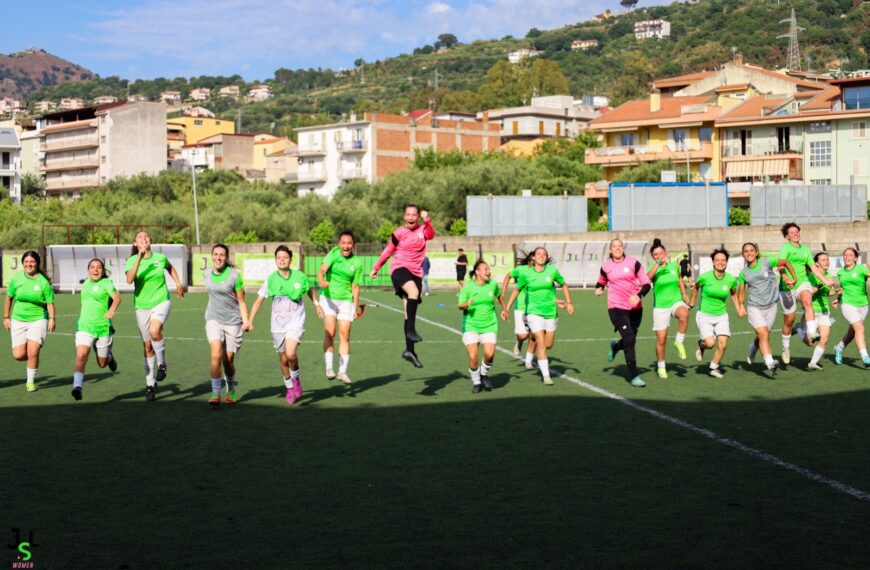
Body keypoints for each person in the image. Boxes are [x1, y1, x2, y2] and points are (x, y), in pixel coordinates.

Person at [247, 245, 317, 405]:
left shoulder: (299, 276)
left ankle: (296, 379)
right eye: (279, 258)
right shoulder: (271, 279)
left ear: (290, 259)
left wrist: (317, 305)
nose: (282, 260)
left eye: (285, 257)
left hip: (296, 321)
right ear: (275, 260)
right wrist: (250, 320)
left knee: (291, 354)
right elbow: (258, 301)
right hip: (277, 325)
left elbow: (309, 290)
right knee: (284, 359)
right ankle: (290, 387)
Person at [370, 204, 435, 368]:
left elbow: (431, 234)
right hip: (399, 268)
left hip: (416, 272)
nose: (411, 217)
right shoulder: (398, 233)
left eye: (414, 214)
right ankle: (412, 332)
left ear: (418, 217)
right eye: (408, 214)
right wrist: (376, 267)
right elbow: (387, 251)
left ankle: (409, 351)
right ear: (404, 217)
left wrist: (428, 220)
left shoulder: (423, 230)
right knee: (413, 291)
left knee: (408, 311)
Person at [125, 231, 185, 402]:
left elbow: (170, 268)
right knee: (147, 347)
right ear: (135, 243)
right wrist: (139, 258)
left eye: (146, 237)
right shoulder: (131, 260)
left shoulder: (160, 257)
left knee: (155, 330)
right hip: (141, 306)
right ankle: (150, 385)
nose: (144, 239)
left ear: (150, 240)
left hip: (161, 301)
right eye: (140, 238)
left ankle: (162, 364)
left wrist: (178, 284)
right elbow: (130, 280)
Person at [504, 247, 574, 385]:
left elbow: (564, 285)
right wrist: (506, 308)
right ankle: (546, 376)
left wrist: (568, 302)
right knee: (541, 344)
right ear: (534, 258)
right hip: (533, 312)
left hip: (551, 312)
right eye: (538, 254)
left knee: (548, 345)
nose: (541, 255)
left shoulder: (552, 271)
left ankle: (533, 341)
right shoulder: (526, 274)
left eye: (544, 254)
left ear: (546, 257)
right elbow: (517, 291)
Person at [596, 239, 651, 388]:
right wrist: (599, 288)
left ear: (623, 248)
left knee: (629, 340)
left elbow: (646, 284)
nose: (617, 248)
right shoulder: (606, 266)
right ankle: (634, 376)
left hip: (635, 308)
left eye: (619, 246)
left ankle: (616, 347)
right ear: (610, 250)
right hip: (616, 307)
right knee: (630, 338)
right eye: (614, 246)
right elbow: (601, 280)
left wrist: (638, 296)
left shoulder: (633, 263)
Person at [777, 223, 833, 364]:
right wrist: (786, 278)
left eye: (797, 231)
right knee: (789, 321)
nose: (795, 233)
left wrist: (824, 280)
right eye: (792, 232)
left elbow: (813, 267)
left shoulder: (806, 250)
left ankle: (812, 332)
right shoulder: (786, 248)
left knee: (808, 301)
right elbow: (780, 265)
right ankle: (785, 347)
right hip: (787, 287)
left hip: (802, 283)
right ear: (787, 236)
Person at [737, 242, 795, 377]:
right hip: (754, 307)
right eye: (746, 251)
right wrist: (740, 305)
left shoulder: (766, 262)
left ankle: (752, 349)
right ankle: (770, 363)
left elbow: (785, 262)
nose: (749, 253)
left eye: (752, 250)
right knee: (763, 334)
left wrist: (793, 278)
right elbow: (741, 291)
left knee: (763, 334)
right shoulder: (743, 273)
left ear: (756, 252)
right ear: (743, 254)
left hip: (771, 306)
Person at [4, 251, 55, 392]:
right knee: (19, 355)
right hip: (18, 319)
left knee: (33, 351)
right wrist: (6, 317)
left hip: (38, 319)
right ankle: (33, 353)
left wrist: (51, 319)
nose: (29, 264)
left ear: (37, 263)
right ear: (23, 264)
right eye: (26, 262)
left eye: (32, 261)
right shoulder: (17, 279)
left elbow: (50, 303)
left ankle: (30, 381)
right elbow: (8, 298)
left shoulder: (43, 282)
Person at [204, 244, 248, 406]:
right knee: (215, 355)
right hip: (213, 319)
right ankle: (215, 393)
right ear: (212, 256)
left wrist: (247, 320)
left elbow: (241, 301)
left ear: (226, 257)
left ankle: (230, 388)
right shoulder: (206, 274)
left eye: (222, 255)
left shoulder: (235, 276)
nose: (218, 257)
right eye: (215, 254)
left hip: (233, 322)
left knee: (227, 361)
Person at [317, 231, 363, 385]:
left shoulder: (357, 263)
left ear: (353, 244)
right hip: (328, 299)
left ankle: (342, 372)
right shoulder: (334, 253)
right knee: (330, 333)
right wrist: (322, 282)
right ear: (339, 244)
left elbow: (355, 286)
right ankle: (329, 368)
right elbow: (322, 270)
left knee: (345, 336)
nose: (346, 246)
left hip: (346, 302)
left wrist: (355, 307)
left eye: (349, 243)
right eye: (343, 242)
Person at [71, 258, 121, 400]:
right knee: (81, 356)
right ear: (88, 271)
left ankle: (109, 358)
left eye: (99, 267)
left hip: (103, 327)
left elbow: (117, 298)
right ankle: (77, 386)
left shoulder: (107, 283)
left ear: (103, 271)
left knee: (102, 363)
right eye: (92, 267)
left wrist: (111, 310)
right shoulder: (86, 283)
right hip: (85, 326)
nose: (95, 269)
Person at [690, 248, 744, 378]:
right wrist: (692, 302)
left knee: (723, 343)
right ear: (713, 262)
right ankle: (701, 345)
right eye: (717, 260)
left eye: (723, 260)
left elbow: (733, 294)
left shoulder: (731, 280)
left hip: (721, 316)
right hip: (704, 315)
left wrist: (738, 308)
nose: (720, 262)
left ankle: (713, 367)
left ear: (726, 262)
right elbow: (696, 287)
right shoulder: (705, 277)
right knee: (710, 343)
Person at [459, 260, 507, 393]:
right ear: (477, 272)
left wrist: (505, 309)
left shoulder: (492, 285)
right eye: (485, 269)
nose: (488, 271)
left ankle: (483, 374)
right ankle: (476, 382)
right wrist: (466, 304)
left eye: (489, 269)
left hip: (489, 325)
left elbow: (500, 296)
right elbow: (460, 305)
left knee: (489, 354)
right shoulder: (468, 287)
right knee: (473, 356)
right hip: (471, 326)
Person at [647, 238, 691, 379]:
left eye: (661, 253)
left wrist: (684, 293)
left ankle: (679, 341)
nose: (659, 255)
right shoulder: (652, 268)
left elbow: (679, 279)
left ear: (665, 252)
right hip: (660, 307)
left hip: (675, 301)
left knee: (684, 314)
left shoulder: (674, 266)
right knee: (661, 339)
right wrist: (657, 265)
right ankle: (661, 366)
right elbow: (648, 278)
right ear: (653, 257)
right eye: (655, 254)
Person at [796, 252, 837, 370]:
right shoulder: (811, 277)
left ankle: (813, 363)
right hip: (812, 312)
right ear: (816, 264)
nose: (827, 262)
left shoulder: (828, 276)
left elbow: (828, 293)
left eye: (827, 259)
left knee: (824, 338)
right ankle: (798, 329)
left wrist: (837, 292)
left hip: (824, 311)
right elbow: (808, 294)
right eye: (823, 260)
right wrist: (819, 285)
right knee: (811, 343)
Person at [833, 247, 870, 366]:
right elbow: (843, 289)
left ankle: (839, 347)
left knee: (853, 332)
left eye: (850, 255)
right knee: (859, 329)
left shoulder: (861, 269)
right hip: (847, 304)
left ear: (855, 258)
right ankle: (865, 357)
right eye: (845, 255)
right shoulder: (841, 272)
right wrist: (838, 299)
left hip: (863, 304)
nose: (846, 257)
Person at [500, 251, 536, 366]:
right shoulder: (521, 270)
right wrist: (503, 291)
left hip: (536, 308)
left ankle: (529, 360)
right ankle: (519, 342)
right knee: (523, 335)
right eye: (533, 261)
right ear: (530, 261)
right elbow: (508, 275)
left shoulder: (542, 271)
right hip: (521, 306)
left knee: (534, 334)